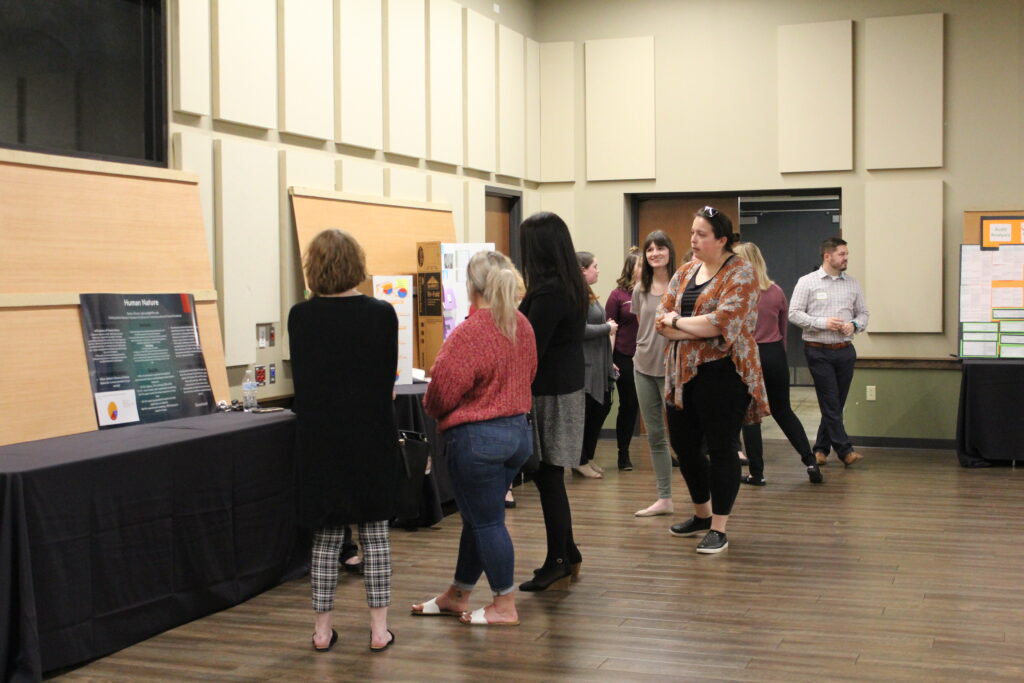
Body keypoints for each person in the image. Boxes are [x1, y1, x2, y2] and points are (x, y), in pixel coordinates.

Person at [288, 228, 399, 653]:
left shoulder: (301, 316)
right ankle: (378, 630)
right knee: (375, 536)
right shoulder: (381, 313)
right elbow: (384, 375)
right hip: (371, 435)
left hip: (320, 440)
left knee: (326, 539)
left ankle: (320, 631)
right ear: (357, 264)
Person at [414, 251, 537, 626]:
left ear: (471, 286)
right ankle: (458, 594)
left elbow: (440, 394)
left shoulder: (470, 333)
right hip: (517, 436)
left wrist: (436, 409)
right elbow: (529, 373)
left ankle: (504, 604)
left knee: (486, 523)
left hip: (478, 441)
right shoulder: (521, 323)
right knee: (479, 518)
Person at [657, 207, 769, 554]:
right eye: (692, 232)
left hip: (724, 373)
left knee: (722, 449)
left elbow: (723, 325)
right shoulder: (685, 272)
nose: (693, 239)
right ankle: (702, 514)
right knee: (685, 446)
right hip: (682, 373)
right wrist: (680, 323)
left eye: (702, 233)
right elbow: (660, 317)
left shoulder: (741, 272)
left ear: (722, 239)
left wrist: (678, 324)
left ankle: (719, 526)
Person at [517, 211, 588, 591]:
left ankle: (557, 560)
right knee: (551, 475)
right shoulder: (568, 284)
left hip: (551, 393)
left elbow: (531, 347)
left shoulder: (549, 292)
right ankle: (569, 552)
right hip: (564, 388)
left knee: (549, 477)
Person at [732, 242, 823, 486]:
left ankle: (757, 473)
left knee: (751, 417)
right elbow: (782, 330)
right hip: (774, 354)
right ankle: (810, 460)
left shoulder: (737, 293)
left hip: (748, 355)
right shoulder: (776, 291)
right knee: (783, 411)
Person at [788, 237, 869, 467]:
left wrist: (853, 325)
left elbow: (863, 314)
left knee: (834, 402)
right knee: (831, 401)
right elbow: (794, 314)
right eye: (842, 254)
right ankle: (845, 450)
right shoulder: (807, 282)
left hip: (845, 351)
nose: (846, 258)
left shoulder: (852, 284)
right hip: (818, 351)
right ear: (827, 256)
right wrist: (822, 322)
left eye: (846, 254)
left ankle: (821, 449)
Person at [631, 231, 677, 517]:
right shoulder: (640, 288)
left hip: (674, 367)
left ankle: (703, 498)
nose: (655, 253)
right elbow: (642, 327)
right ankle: (664, 498)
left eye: (660, 248)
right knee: (655, 436)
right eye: (650, 249)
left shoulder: (682, 283)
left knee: (683, 435)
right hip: (643, 366)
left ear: (669, 251)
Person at [574, 251, 617, 479]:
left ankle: (588, 457)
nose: (598, 270)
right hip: (586, 366)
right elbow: (579, 330)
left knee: (598, 411)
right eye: (595, 266)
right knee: (586, 414)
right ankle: (579, 460)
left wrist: (610, 363)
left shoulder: (588, 294)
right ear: (583, 271)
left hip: (599, 363)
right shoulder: (576, 295)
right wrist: (607, 328)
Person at [605, 248, 641, 471]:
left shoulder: (655, 292)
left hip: (649, 357)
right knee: (629, 404)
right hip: (624, 356)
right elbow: (611, 329)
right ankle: (623, 454)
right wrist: (608, 360)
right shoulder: (618, 296)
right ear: (630, 269)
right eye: (640, 265)